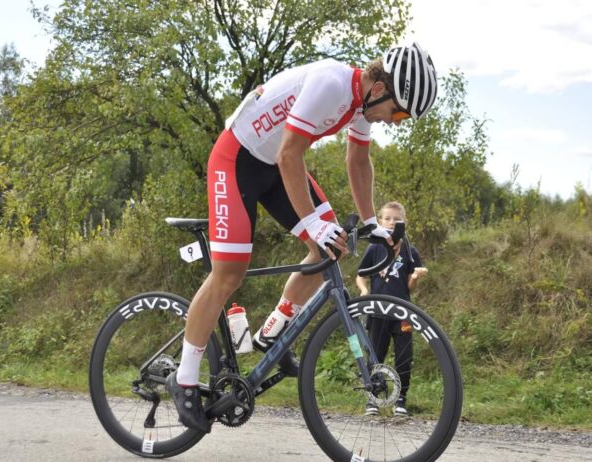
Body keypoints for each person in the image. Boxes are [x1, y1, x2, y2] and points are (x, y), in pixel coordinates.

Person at [165, 42, 439, 433]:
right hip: (238, 159)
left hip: (276, 164)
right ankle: (185, 377)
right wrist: (312, 223)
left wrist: (368, 221)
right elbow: (290, 154)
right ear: (379, 89)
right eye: (398, 111)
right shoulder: (332, 84)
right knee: (229, 274)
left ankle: (272, 334)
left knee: (331, 248)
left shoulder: (360, 103)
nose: (395, 121)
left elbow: (358, 159)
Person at [355, 201, 427, 416]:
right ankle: (373, 399)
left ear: (405, 223)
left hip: (402, 313)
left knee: (404, 357)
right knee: (375, 356)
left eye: (396, 220)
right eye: (387, 218)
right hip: (377, 312)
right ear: (379, 221)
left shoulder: (409, 251)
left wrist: (414, 277)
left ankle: (401, 400)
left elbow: (409, 286)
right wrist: (363, 291)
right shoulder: (374, 248)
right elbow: (360, 275)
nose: (391, 223)